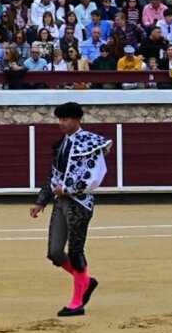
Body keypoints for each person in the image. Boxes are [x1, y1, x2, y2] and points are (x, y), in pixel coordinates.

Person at [29, 102, 111, 317]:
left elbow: (95, 175)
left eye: (65, 119)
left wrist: (66, 188)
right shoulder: (61, 145)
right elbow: (52, 176)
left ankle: (77, 302)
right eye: (59, 119)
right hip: (60, 202)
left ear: (77, 120)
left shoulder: (91, 143)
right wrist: (40, 201)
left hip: (80, 204)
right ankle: (86, 281)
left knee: (75, 251)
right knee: (55, 252)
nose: (61, 123)